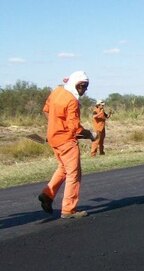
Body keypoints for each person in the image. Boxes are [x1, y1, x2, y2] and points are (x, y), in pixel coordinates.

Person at [37, 71, 96, 219]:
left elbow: (46, 111)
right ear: (78, 85)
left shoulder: (57, 91)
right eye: (84, 86)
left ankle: (47, 195)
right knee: (74, 174)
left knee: (63, 168)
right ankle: (69, 209)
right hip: (66, 141)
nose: (85, 90)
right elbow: (76, 128)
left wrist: (55, 126)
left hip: (53, 138)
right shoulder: (72, 101)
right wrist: (90, 135)